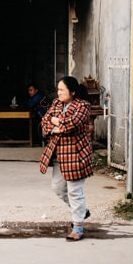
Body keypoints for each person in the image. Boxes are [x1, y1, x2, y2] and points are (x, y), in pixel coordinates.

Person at [39, 75, 94, 242]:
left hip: (76, 156)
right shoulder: (56, 103)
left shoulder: (83, 106)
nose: (59, 93)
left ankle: (78, 227)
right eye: (58, 89)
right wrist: (54, 126)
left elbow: (70, 126)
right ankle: (81, 212)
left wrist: (56, 124)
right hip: (58, 155)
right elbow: (45, 122)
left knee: (74, 191)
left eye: (62, 90)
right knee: (57, 188)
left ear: (73, 92)